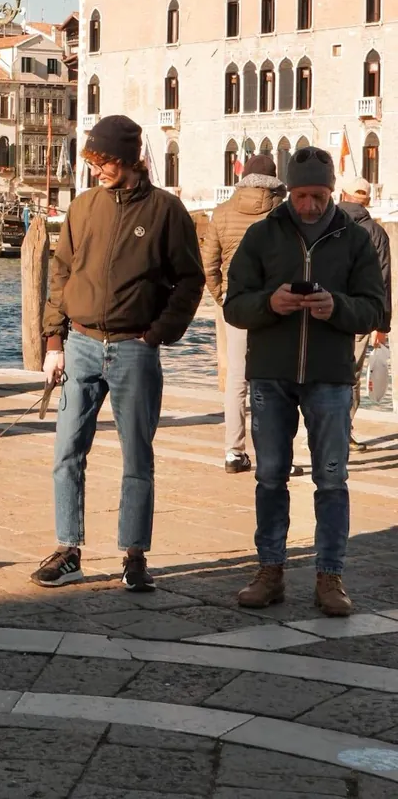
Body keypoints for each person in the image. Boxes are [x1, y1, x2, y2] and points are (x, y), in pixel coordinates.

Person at [33, 115, 205, 591]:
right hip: (80, 344)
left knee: (137, 457)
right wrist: (53, 341)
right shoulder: (83, 206)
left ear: (128, 159)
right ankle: (68, 550)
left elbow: (190, 280)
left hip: (135, 349)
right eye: (92, 161)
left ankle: (134, 555)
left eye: (103, 161)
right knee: (67, 452)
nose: (96, 170)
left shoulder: (167, 211)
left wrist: (159, 334)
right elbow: (61, 274)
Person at [224, 146, 384, 616]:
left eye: (319, 196)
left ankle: (330, 577)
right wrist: (269, 304)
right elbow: (234, 305)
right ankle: (269, 571)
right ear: (288, 192)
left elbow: (376, 309)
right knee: (270, 476)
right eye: (301, 196)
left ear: (332, 192)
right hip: (271, 374)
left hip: (329, 376)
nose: (310, 205)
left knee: (331, 479)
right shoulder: (261, 235)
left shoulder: (355, 240)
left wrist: (338, 307)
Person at [203, 154, 286, 473]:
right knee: (276, 379)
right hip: (274, 304)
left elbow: (209, 263)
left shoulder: (222, 212)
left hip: (235, 302)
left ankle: (233, 452)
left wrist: (221, 296)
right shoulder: (281, 212)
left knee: (237, 378)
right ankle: (277, 454)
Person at [339, 175, 391, 447]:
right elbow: (383, 281)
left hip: (324, 309)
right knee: (351, 375)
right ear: (368, 201)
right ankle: (342, 431)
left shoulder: (324, 224)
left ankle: (320, 427)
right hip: (359, 313)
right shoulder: (376, 233)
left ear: (342, 196)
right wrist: (382, 325)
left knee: (324, 371)